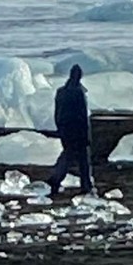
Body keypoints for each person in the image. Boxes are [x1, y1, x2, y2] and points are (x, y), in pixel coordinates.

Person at [48, 64, 93, 197]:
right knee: (82, 158)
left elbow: (57, 113)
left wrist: (60, 128)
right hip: (78, 130)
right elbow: (82, 115)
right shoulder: (78, 92)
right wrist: (86, 134)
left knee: (68, 155)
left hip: (65, 129)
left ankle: (56, 179)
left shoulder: (61, 91)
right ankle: (85, 184)